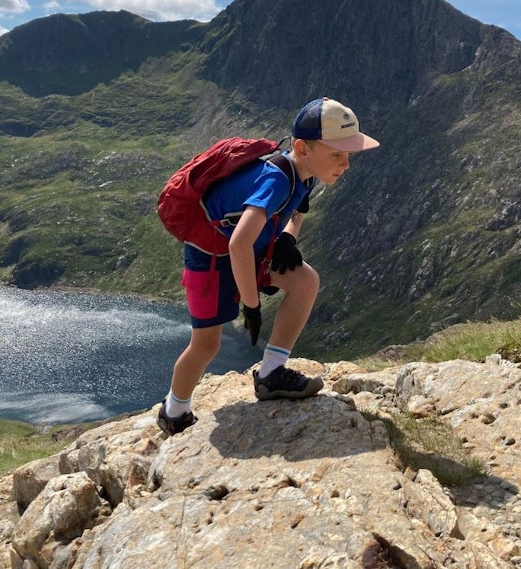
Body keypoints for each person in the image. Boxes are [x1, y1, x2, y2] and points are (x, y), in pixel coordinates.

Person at [157, 97, 380, 435]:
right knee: (206, 345)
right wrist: (252, 304)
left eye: (348, 154)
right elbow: (237, 243)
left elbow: (297, 211)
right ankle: (174, 412)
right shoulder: (276, 180)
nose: (346, 164)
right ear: (303, 148)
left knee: (305, 281)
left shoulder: (305, 174)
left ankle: (271, 373)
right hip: (211, 260)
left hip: (253, 252)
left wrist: (287, 240)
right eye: (337, 154)